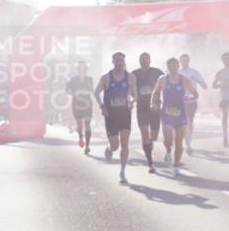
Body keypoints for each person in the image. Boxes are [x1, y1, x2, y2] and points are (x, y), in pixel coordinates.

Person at [94, 52, 138, 184]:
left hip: (124, 113)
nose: (120, 63)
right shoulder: (106, 78)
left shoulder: (130, 77)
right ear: (113, 62)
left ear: (124, 62)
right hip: (111, 115)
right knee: (115, 145)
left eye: (122, 61)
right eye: (117, 61)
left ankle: (122, 172)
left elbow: (135, 95)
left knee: (125, 143)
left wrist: (132, 102)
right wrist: (102, 106)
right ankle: (109, 148)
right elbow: (96, 93)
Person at [151, 57, 198, 177]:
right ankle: (168, 150)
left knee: (179, 141)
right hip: (167, 113)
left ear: (178, 66)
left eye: (174, 65)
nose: (172, 68)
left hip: (180, 113)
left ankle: (176, 163)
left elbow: (196, 94)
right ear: (167, 68)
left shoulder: (184, 80)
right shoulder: (162, 79)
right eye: (170, 66)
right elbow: (155, 92)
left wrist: (190, 98)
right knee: (168, 139)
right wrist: (153, 103)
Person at [132, 53, 163, 173]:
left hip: (155, 107)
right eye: (142, 59)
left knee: (153, 137)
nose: (144, 60)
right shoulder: (134, 74)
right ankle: (150, 164)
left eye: (146, 58)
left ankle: (149, 143)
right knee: (144, 134)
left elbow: (166, 82)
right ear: (139, 61)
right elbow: (130, 87)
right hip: (141, 108)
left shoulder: (157, 72)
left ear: (150, 60)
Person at [178, 53, 207, 156]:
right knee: (183, 123)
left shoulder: (194, 72)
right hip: (180, 101)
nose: (184, 62)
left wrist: (197, 80)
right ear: (180, 61)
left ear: (189, 61)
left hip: (191, 101)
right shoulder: (177, 72)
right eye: (182, 60)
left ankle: (188, 142)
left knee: (189, 122)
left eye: (186, 60)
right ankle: (186, 143)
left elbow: (205, 85)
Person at [65, 61, 95, 155]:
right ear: (78, 69)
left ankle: (87, 146)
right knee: (79, 125)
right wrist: (72, 93)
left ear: (86, 69)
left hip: (87, 104)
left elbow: (92, 90)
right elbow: (66, 89)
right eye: (80, 68)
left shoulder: (90, 79)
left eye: (84, 68)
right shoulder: (73, 79)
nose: (82, 69)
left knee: (87, 124)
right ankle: (81, 138)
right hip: (77, 104)